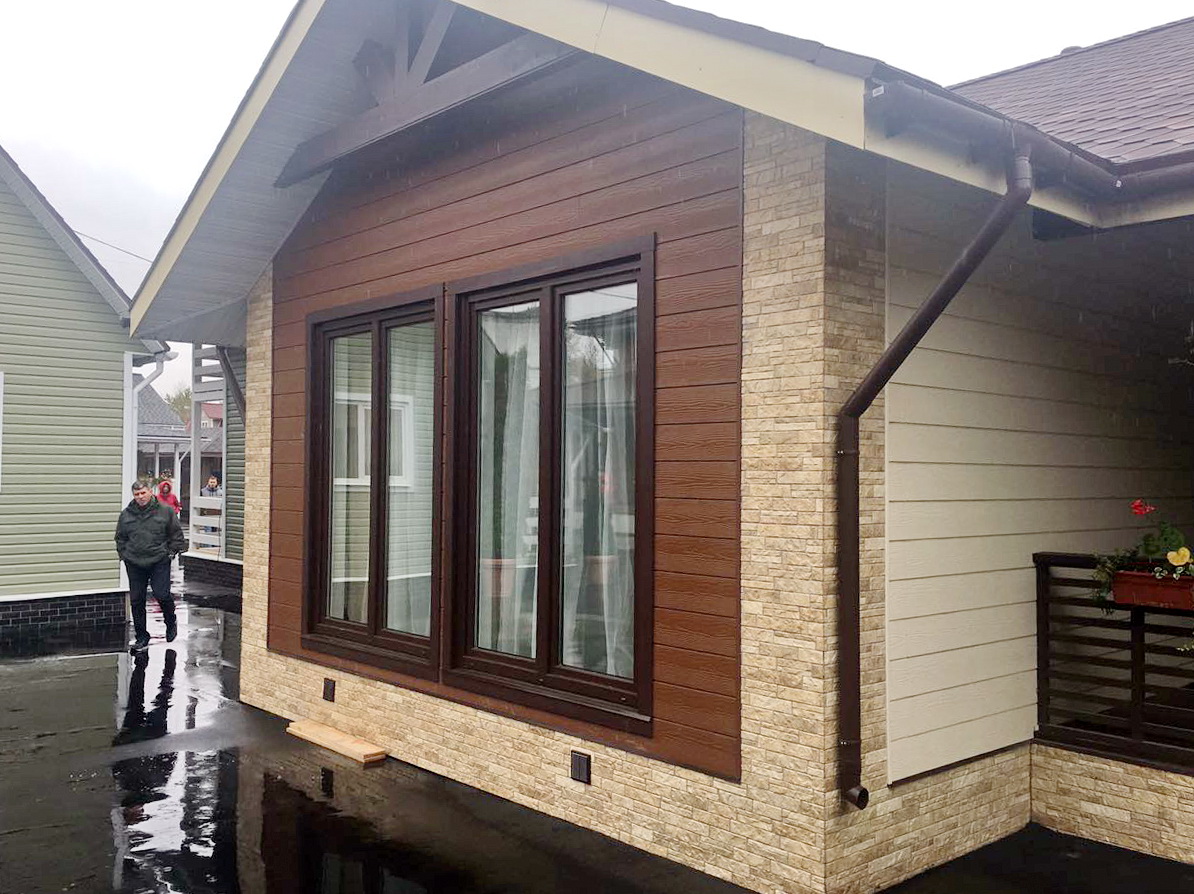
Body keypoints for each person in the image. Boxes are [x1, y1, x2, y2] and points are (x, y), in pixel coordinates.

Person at [115, 480, 186, 651]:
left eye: (143, 493)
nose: (140, 497)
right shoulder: (126, 515)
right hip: (134, 562)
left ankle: (171, 621)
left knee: (161, 594)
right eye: (137, 494)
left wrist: (170, 553)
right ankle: (141, 637)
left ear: (150, 492)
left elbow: (176, 535)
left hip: (159, 560)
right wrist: (124, 555)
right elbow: (120, 538)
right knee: (136, 599)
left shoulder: (165, 511)